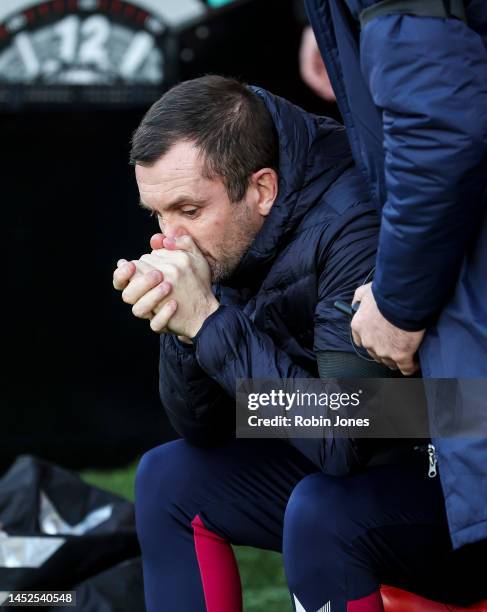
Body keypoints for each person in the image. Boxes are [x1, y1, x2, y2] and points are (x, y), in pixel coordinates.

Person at [112, 75, 486, 612]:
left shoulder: (352, 218)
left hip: (455, 479)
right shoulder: (228, 224)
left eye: (189, 211)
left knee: (321, 509)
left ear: (262, 189)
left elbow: (345, 438)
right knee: (166, 478)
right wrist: (184, 325)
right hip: (362, 459)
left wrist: (209, 323)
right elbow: (203, 427)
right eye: (158, 215)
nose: (172, 240)